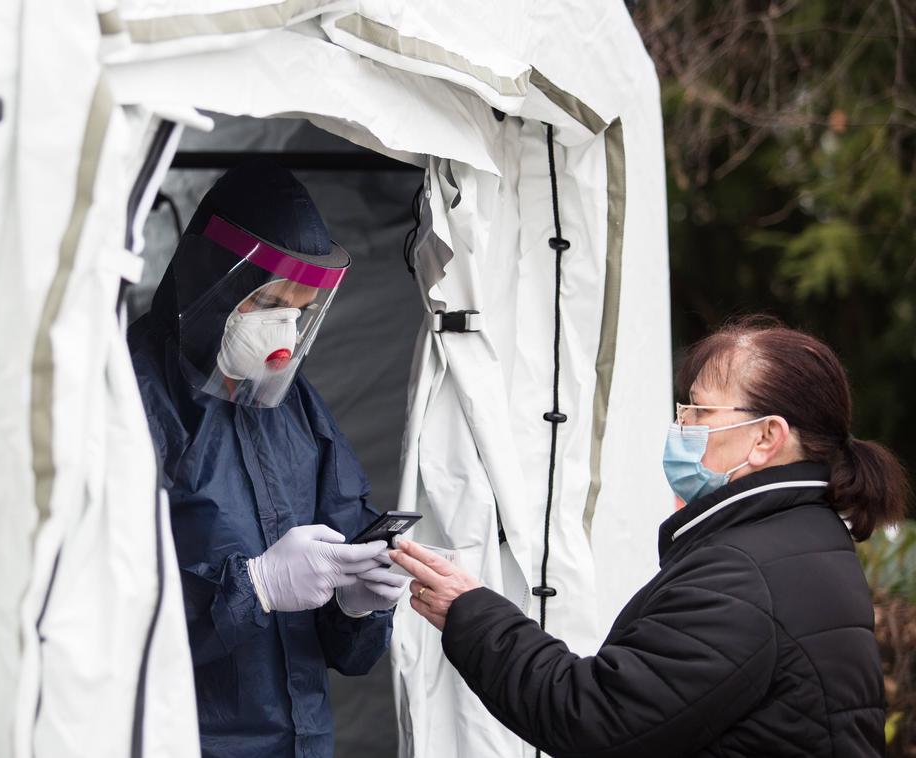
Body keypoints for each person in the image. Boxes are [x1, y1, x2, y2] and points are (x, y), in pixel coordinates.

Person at [390, 316, 907, 758]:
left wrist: (472, 612)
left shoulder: (744, 573)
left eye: (699, 412)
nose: (681, 427)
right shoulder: (804, 537)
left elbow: (593, 716)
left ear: (767, 437)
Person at [128, 160, 406, 758]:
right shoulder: (133, 396)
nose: (286, 328)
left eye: (301, 309)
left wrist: (358, 604)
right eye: (270, 301)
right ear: (215, 283)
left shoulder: (294, 406)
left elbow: (343, 598)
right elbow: (111, 615)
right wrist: (254, 587)